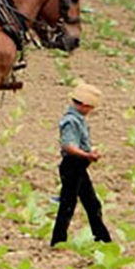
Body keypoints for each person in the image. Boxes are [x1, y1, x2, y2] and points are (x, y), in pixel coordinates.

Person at [50, 81, 112, 246]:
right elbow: (68, 146)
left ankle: (102, 237)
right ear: (84, 105)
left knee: (91, 203)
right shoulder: (71, 121)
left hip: (78, 166)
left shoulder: (77, 119)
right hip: (73, 166)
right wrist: (87, 155)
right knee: (69, 205)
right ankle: (58, 240)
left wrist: (89, 152)